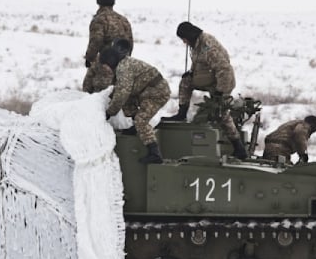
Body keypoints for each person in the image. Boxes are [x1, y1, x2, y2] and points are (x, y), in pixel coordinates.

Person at [162, 21, 248, 159]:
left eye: (184, 39)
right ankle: (182, 113)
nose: (184, 42)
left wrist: (220, 92)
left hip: (222, 80)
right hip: (209, 77)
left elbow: (224, 69)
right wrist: (191, 73)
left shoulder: (208, 47)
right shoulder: (196, 44)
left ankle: (238, 146)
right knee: (185, 82)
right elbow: (199, 63)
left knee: (221, 112)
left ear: (189, 36)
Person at [101, 39, 170, 164]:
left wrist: (110, 112)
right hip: (145, 92)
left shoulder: (123, 68)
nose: (107, 70)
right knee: (126, 101)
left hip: (157, 94)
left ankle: (155, 153)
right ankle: (135, 127)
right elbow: (120, 91)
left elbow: (122, 93)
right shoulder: (122, 64)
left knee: (141, 120)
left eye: (106, 66)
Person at [82, 0, 133, 94]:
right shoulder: (123, 20)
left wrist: (89, 58)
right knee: (115, 92)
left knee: (94, 91)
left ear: (99, 3)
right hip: (122, 61)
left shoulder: (99, 19)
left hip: (105, 62)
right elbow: (130, 42)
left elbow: (96, 41)